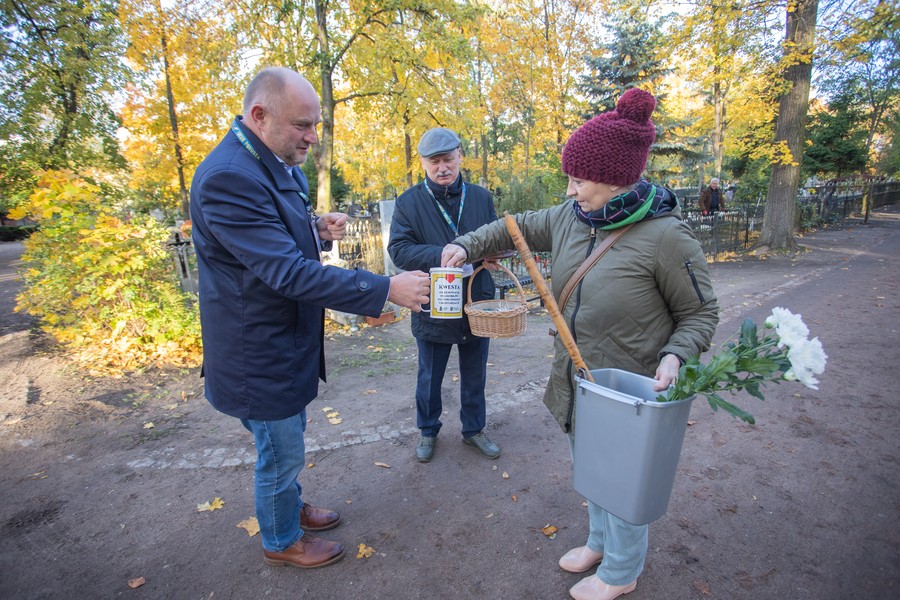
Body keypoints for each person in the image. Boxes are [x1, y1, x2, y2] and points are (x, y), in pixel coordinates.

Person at [440, 89, 718, 600]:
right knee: (591, 469)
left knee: (623, 480)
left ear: (615, 179)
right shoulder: (572, 217)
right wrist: (465, 244)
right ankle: (599, 543)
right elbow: (515, 226)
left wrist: (676, 354)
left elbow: (700, 312)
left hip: (629, 389)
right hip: (578, 379)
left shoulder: (666, 237)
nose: (569, 190)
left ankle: (621, 571)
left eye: (579, 180)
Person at [189, 67, 431, 570]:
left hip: (284, 341)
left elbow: (270, 238)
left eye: (316, 124)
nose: (313, 138)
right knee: (280, 453)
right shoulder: (228, 177)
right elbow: (286, 272)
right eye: (302, 125)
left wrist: (315, 227)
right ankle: (280, 539)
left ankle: (288, 507)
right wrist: (386, 288)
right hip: (256, 352)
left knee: (288, 442)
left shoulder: (273, 162)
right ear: (259, 116)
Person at [388, 127, 501, 463]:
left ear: (460, 156)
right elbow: (399, 250)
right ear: (423, 164)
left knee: (475, 372)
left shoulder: (480, 198)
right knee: (430, 376)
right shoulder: (409, 202)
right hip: (432, 302)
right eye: (434, 162)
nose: (442, 168)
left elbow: (496, 237)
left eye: (448, 159)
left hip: (476, 299)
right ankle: (427, 430)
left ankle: (474, 430)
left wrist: (495, 252)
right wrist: (446, 253)